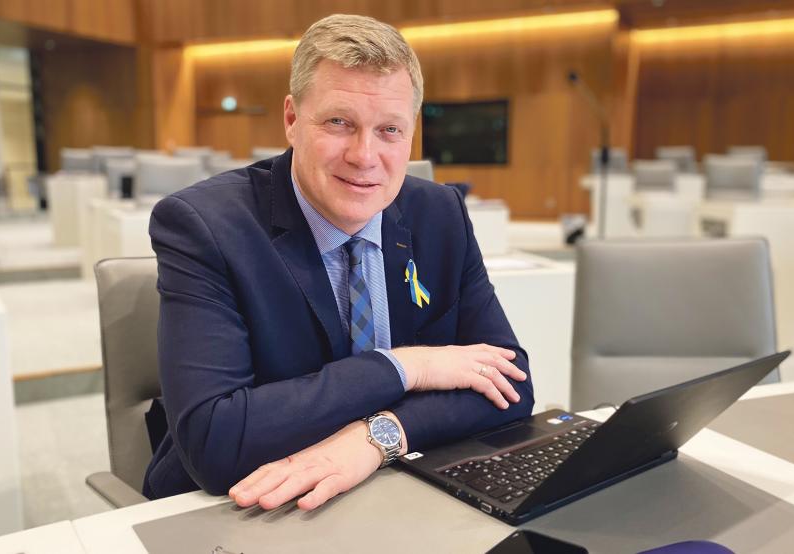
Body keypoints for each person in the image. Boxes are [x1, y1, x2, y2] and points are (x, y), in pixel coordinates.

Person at [144, 13, 534, 511]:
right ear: (291, 119)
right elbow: (217, 442)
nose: (364, 155)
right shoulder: (204, 227)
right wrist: (406, 366)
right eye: (338, 123)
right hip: (245, 508)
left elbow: (511, 385)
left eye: (389, 130)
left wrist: (378, 436)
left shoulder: (440, 214)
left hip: (396, 489)